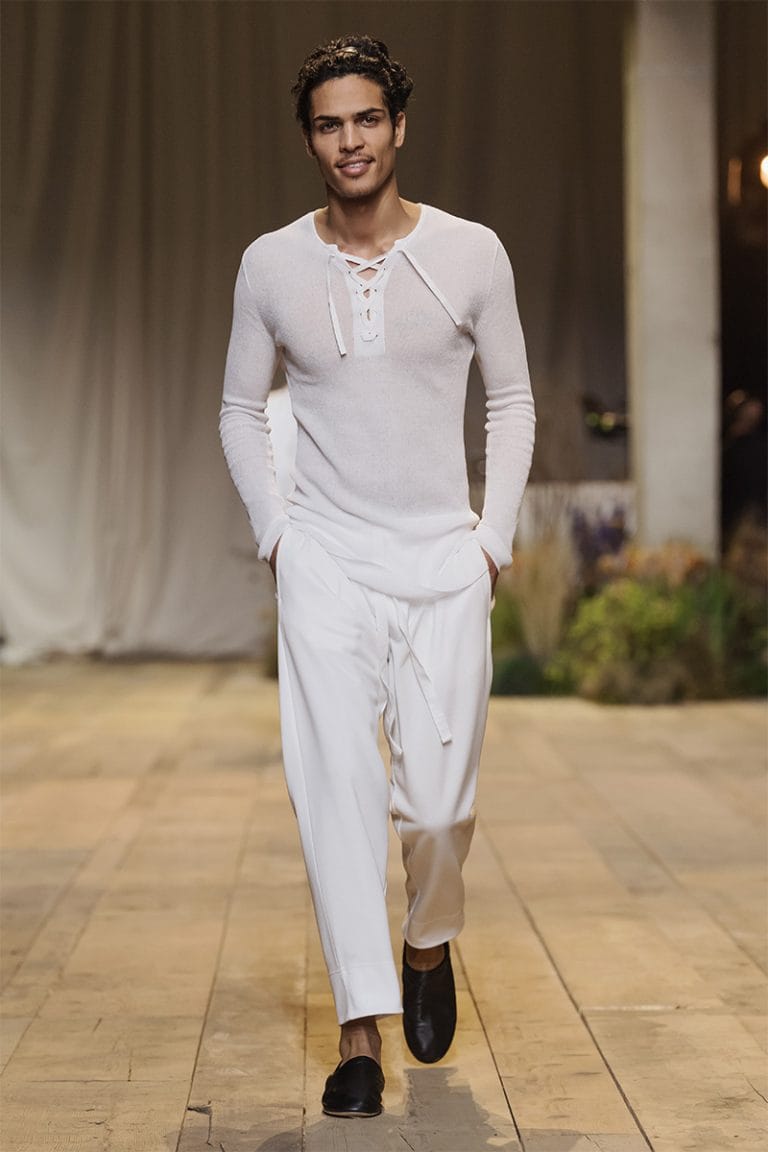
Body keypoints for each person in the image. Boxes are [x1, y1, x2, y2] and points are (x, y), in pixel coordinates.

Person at [220, 35, 535, 1119]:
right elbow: (237, 408)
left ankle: (428, 939)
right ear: (309, 139)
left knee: (438, 810)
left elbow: (512, 400)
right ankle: (360, 1033)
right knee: (337, 791)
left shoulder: (471, 253)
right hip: (327, 559)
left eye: (365, 119)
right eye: (328, 124)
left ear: (398, 126)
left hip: (443, 556)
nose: (348, 140)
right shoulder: (270, 265)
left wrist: (491, 540)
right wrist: (279, 535)